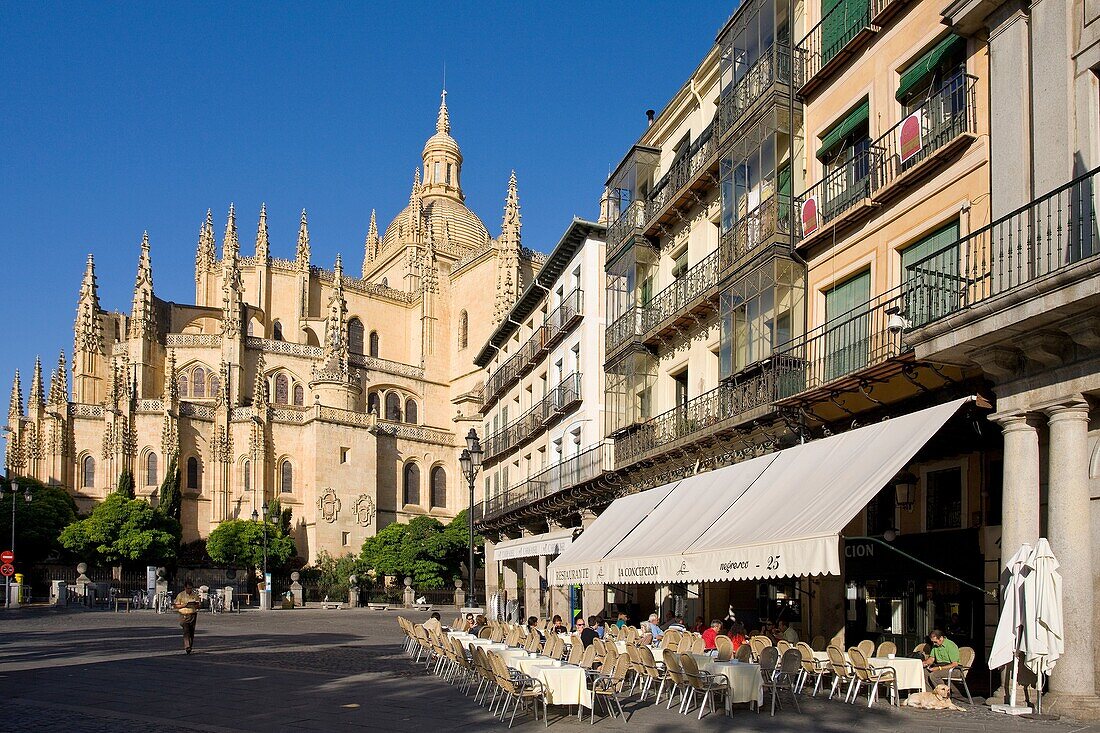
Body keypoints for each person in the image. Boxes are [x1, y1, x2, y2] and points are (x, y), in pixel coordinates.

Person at [173, 579, 202, 655]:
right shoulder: (180, 595)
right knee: (186, 630)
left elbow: (199, 605)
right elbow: (176, 605)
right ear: (185, 588)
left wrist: (196, 605)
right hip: (184, 615)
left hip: (192, 614)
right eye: (188, 588)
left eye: (191, 588)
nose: (189, 590)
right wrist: (184, 605)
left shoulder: (195, 595)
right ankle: (187, 646)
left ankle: (190, 647)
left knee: (191, 632)